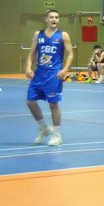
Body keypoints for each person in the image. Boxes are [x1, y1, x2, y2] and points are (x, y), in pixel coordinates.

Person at [25, 9, 73, 146]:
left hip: (54, 74)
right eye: (51, 17)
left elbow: (70, 54)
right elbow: (32, 53)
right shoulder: (38, 35)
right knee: (30, 102)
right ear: (46, 19)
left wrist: (65, 69)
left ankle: (57, 135)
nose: (54, 19)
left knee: (53, 104)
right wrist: (28, 67)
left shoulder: (63, 35)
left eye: (57, 17)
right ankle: (44, 128)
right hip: (39, 73)